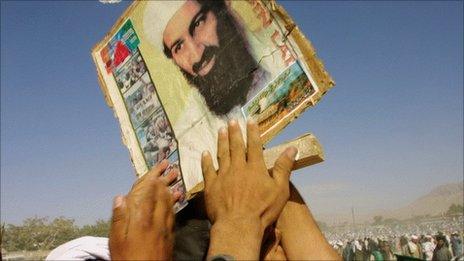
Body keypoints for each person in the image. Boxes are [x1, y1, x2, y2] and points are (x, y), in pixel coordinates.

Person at [143, 0, 272, 117]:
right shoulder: (196, 132)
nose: (196, 54)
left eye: (198, 23)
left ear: (220, 10)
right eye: (179, 47)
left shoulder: (276, 46)